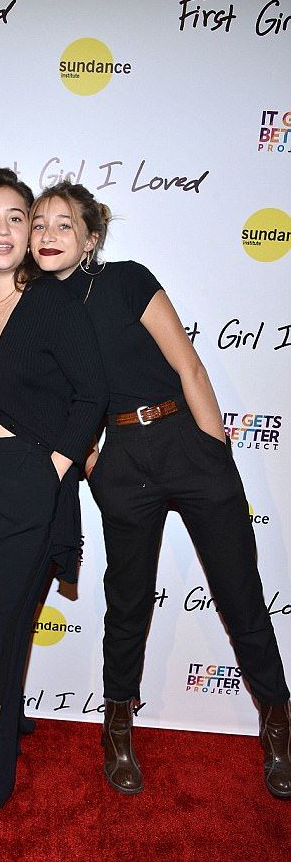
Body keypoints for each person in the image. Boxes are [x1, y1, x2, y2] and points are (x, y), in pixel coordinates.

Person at [30, 181, 291, 800]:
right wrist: (95, 463)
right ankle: (117, 725)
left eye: (63, 224)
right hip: (121, 460)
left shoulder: (127, 280)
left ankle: (279, 721)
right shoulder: (37, 309)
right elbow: (56, 400)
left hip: (186, 440)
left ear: (91, 238)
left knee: (239, 591)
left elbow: (187, 364)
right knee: (127, 602)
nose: (47, 235)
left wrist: (214, 450)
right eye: (38, 224)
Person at [0, 168, 107, 825]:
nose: (4, 230)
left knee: (1, 620)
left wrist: (54, 466)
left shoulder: (53, 301)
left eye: (17, 217)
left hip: (30, 478)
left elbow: (93, 394)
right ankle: (4, 720)